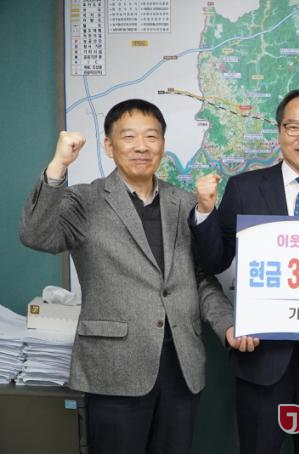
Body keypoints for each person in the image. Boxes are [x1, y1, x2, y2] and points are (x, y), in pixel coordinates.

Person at [19, 99, 232, 454]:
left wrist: (227, 325)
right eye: (129, 137)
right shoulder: (84, 201)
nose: (141, 146)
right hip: (114, 367)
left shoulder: (183, 203)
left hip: (181, 367)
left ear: (163, 144)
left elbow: (200, 279)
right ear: (109, 145)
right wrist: (58, 166)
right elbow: (35, 235)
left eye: (151, 136)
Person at [190, 88, 299, 454]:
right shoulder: (244, 189)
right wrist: (204, 211)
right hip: (260, 358)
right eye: (293, 127)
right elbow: (215, 262)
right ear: (279, 131)